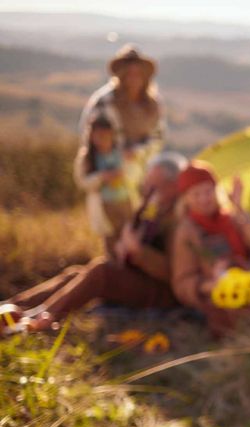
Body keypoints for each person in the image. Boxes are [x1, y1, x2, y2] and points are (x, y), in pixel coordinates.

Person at [0, 152, 187, 333]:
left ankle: (41, 318)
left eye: (153, 184)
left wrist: (139, 252)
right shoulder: (152, 211)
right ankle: (13, 305)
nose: (146, 187)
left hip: (161, 292)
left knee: (101, 271)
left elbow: (175, 274)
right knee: (76, 273)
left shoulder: (179, 220)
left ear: (173, 186)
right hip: (141, 278)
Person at [170, 162, 250, 337]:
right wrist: (212, 285)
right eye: (196, 194)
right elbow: (182, 284)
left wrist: (239, 210)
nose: (204, 199)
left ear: (216, 191)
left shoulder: (231, 218)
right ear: (186, 198)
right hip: (224, 300)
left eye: (208, 191)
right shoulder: (187, 232)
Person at [79, 44, 165, 206]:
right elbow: (88, 135)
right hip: (108, 172)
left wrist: (139, 152)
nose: (134, 78)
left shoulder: (153, 103)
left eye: (138, 74)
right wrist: (116, 155)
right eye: (129, 74)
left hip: (142, 171)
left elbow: (158, 137)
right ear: (121, 75)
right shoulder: (104, 101)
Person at [74, 112, 132, 255]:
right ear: (91, 136)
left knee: (128, 238)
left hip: (124, 202)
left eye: (106, 135)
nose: (103, 140)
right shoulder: (87, 157)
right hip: (104, 206)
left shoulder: (120, 153)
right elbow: (81, 182)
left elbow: (132, 176)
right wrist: (101, 177)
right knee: (110, 243)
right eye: (99, 136)